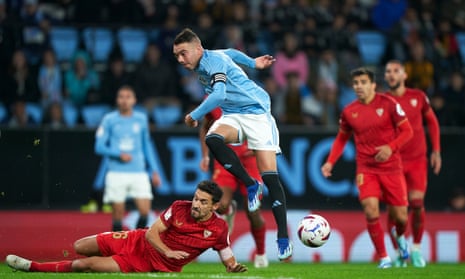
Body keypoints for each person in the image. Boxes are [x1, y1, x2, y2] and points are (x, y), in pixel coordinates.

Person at [173, 28, 292, 261]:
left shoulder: (212, 63)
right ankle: (250, 185)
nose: (180, 59)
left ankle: (283, 237)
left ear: (198, 49)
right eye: (176, 55)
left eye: (183, 54)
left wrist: (195, 114)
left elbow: (217, 96)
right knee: (212, 139)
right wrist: (253, 63)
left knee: (271, 177)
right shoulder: (208, 58)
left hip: (257, 111)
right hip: (233, 113)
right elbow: (230, 52)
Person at [5, 180, 248, 273]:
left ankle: (32, 268)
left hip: (146, 263)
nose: (196, 204)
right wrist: (169, 251)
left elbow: (225, 252)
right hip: (138, 240)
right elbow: (153, 233)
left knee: (85, 265)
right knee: (80, 246)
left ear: (215, 206)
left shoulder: (218, 229)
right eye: (196, 197)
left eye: (202, 202)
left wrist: (232, 266)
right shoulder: (179, 207)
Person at [321, 67, 413, 268]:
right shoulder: (349, 111)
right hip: (366, 169)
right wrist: (330, 161)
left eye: (363, 82)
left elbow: (408, 131)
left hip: (391, 168)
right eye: (355, 83)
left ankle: (400, 238)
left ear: (373, 85)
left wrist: (391, 147)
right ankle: (384, 258)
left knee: (401, 217)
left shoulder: (388, 104)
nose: (358, 87)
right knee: (370, 209)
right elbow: (342, 138)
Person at [384, 60, 441, 267]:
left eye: (396, 71)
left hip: (417, 160)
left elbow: (432, 122)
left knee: (417, 205)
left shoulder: (418, 97)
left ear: (404, 75)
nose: (391, 75)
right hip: (394, 163)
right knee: (396, 212)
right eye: (388, 71)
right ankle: (401, 252)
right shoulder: (382, 100)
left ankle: (416, 249)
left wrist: (436, 151)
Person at [199, 106, 268, 268]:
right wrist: (205, 155)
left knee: (253, 212)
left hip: (250, 161)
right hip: (225, 159)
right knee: (219, 204)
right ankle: (228, 210)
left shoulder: (252, 97)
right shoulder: (214, 100)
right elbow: (205, 127)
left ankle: (260, 253)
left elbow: (268, 126)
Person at [94, 85, 161, 231]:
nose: (124, 100)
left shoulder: (141, 119)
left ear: (134, 100)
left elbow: (147, 146)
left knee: (145, 211)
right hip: (116, 172)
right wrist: (118, 154)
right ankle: (117, 249)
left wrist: (155, 170)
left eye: (128, 97)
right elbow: (99, 147)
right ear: (117, 100)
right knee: (118, 214)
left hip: (139, 172)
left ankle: (134, 242)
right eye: (121, 97)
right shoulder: (109, 119)